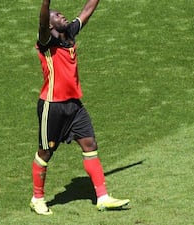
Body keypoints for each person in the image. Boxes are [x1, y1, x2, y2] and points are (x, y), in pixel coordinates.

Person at [30, 0, 130, 215]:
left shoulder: (69, 34)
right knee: (45, 152)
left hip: (74, 105)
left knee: (89, 143)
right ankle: (37, 198)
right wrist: (46, 3)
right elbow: (42, 18)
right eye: (57, 16)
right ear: (49, 25)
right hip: (52, 106)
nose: (62, 16)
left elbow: (87, 10)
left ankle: (102, 197)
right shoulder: (46, 41)